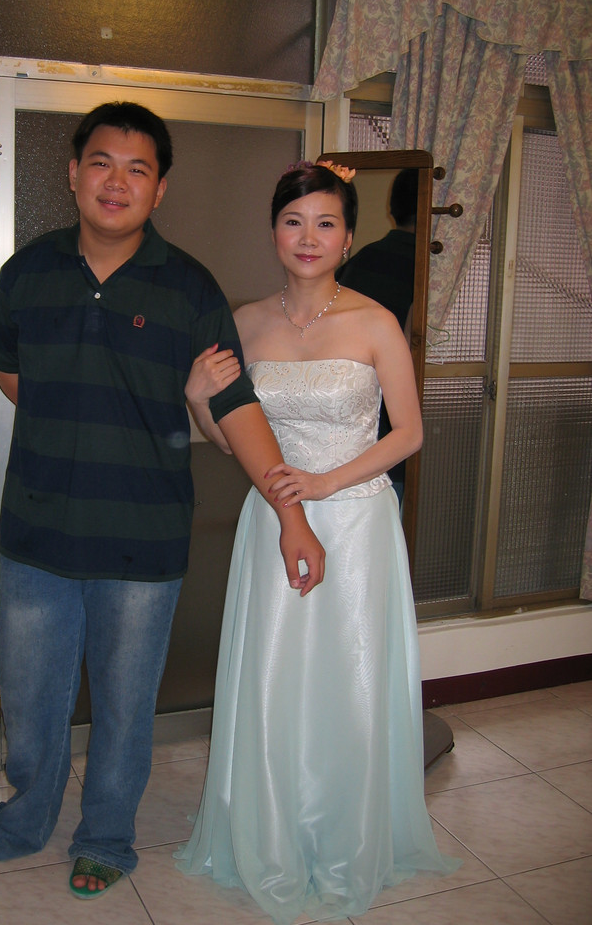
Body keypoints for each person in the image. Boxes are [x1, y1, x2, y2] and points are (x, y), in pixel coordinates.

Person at [0, 102, 325, 901]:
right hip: (37, 532)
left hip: (143, 538)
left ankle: (106, 837)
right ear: (73, 173)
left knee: (125, 704)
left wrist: (291, 513)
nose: (116, 182)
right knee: (31, 697)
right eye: (101, 163)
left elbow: (235, 406)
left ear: (159, 189)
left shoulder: (189, 287)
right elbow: (13, 376)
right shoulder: (26, 273)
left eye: (137, 169)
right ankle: (24, 820)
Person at [176, 161, 459, 923]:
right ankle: (272, 827)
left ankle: (344, 835)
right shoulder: (244, 323)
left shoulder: (375, 322)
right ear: (274, 231)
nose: (309, 237)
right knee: (274, 678)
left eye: (326, 223)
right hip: (272, 520)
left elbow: (409, 433)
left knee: (349, 680)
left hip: (357, 521)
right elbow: (234, 441)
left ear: (349, 238)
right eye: (294, 221)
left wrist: (326, 484)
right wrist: (200, 402)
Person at [336, 167, 419, 504]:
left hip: (354, 428)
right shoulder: (424, 267)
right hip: (384, 434)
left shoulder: (362, 261)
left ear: (393, 207)